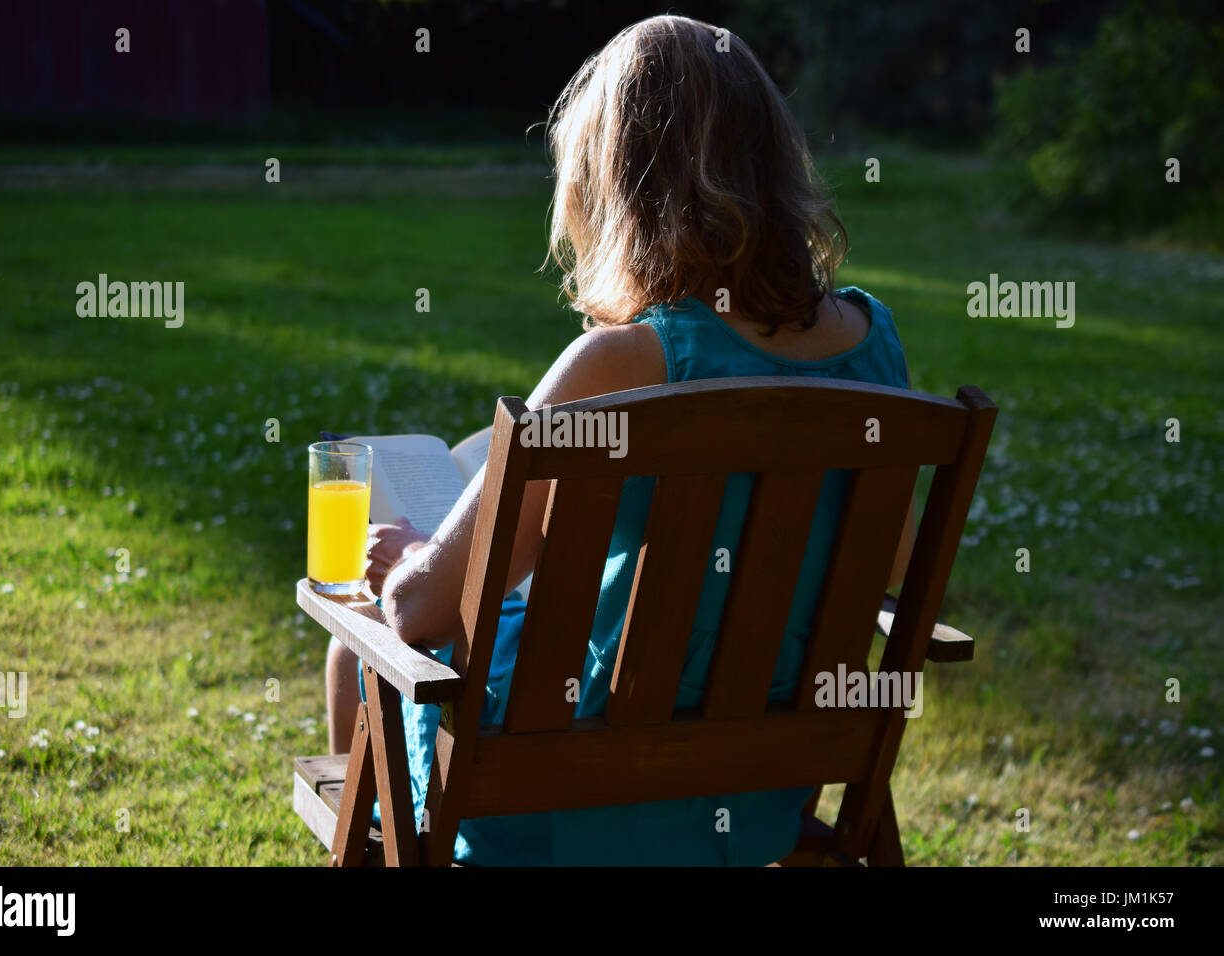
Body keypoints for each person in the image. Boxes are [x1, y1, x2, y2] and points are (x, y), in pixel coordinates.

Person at [327, 13, 916, 865]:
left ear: (615, 185)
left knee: (360, 646)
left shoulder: (618, 366)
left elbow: (421, 612)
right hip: (758, 799)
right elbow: (887, 572)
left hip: (558, 802)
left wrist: (415, 558)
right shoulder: (875, 343)